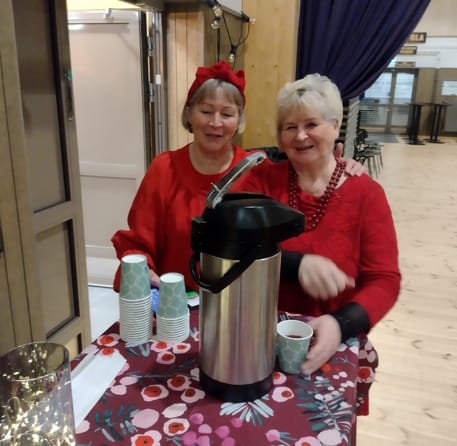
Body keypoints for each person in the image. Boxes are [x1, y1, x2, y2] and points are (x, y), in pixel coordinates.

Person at [111, 61, 364, 293]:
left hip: (238, 306)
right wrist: (143, 271)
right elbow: (138, 242)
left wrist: (337, 165)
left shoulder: (257, 169)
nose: (216, 123)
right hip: (174, 306)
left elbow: (306, 171)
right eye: (206, 111)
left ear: (239, 120)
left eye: (227, 114)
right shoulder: (163, 169)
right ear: (189, 114)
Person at [237, 73, 401, 415]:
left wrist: (340, 324)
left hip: (331, 342)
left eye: (311, 124)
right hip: (258, 339)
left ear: (335, 126)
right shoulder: (260, 182)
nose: (300, 136)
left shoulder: (366, 194)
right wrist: (296, 265)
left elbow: (384, 280)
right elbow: (236, 246)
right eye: (289, 127)